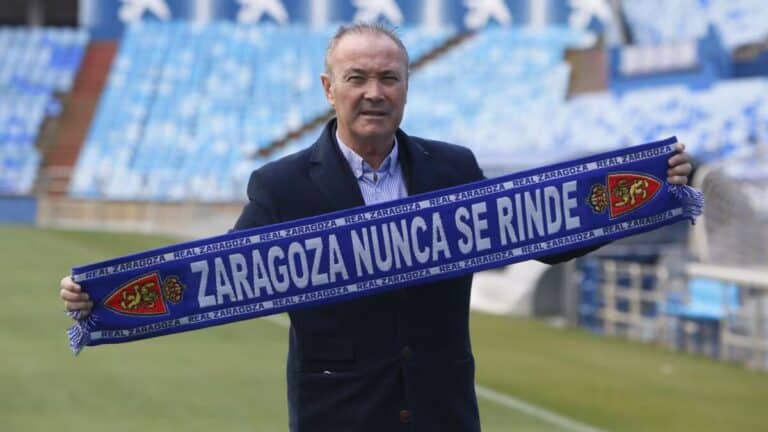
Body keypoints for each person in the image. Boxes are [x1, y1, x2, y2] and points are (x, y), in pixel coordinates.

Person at [61, 22, 693, 432]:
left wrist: (646, 192)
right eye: (357, 78)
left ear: (407, 89)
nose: (373, 92)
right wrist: (101, 299)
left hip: (442, 410)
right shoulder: (280, 185)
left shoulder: (452, 167)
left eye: (388, 78)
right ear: (328, 89)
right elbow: (225, 276)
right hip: (338, 413)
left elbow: (542, 231)